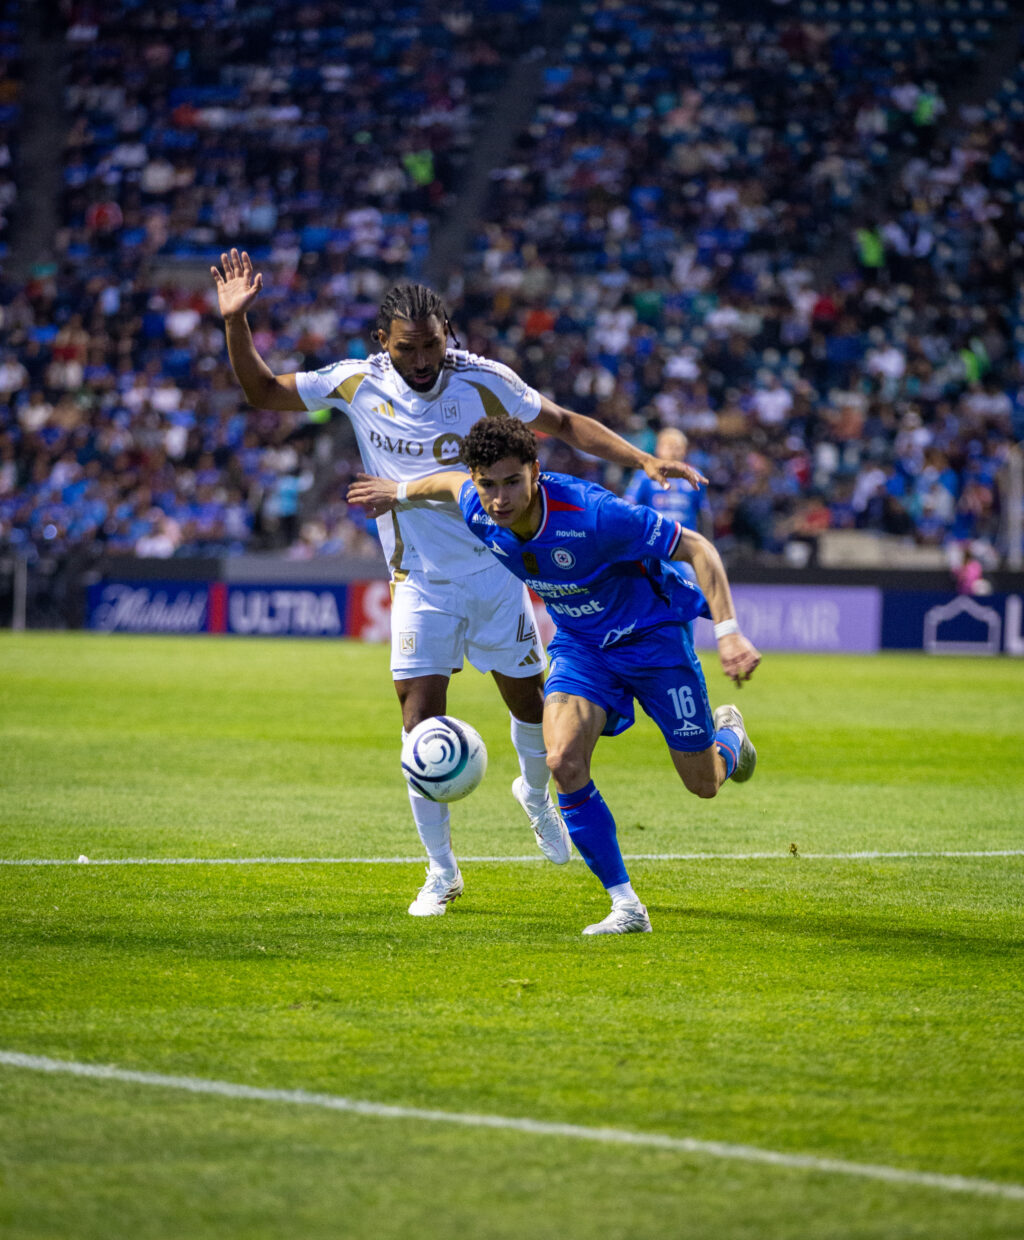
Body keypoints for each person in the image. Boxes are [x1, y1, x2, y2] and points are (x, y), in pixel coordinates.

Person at [211, 251, 705, 917]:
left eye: (434, 345)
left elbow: (561, 423)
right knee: (418, 720)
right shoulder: (356, 382)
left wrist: (643, 458)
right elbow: (263, 391)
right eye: (409, 348)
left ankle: (535, 796)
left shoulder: (482, 381)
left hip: (500, 570)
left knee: (531, 709)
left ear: (450, 334)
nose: (423, 360)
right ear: (382, 343)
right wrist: (236, 324)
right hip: (419, 580)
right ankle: (441, 872)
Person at [348, 417, 761, 936]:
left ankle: (730, 738)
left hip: (652, 637)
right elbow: (447, 483)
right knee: (562, 758)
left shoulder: (593, 516)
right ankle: (626, 905)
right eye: (487, 484)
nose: (498, 499)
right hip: (583, 645)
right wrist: (399, 490)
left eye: (511, 482)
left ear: (535, 473)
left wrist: (727, 632)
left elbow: (698, 548)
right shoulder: (477, 505)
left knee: (703, 785)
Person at [624, 427, 712, 584]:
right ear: (659, 449)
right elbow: (629, 506)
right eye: (668, 446)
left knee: (689, 591)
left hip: (685, 546)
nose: (673, 451)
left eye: (678, 447)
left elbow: (704, 514)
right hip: (653, 546)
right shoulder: (645, 475)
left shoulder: (696, 475)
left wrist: (708, 546)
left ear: (685, 450)